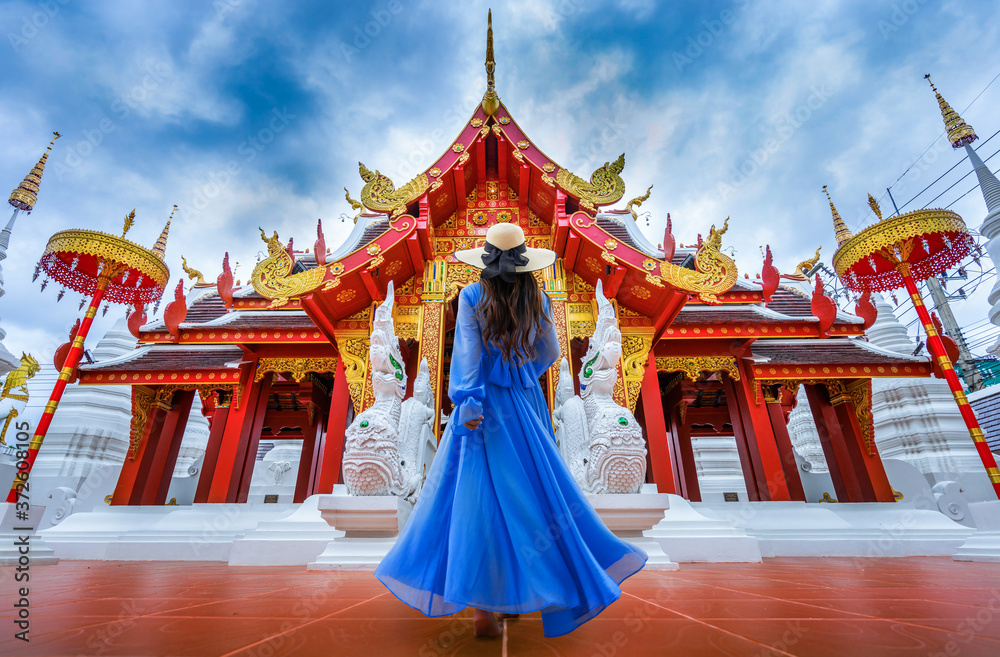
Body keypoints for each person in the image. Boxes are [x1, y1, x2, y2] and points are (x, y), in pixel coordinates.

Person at [373, 222, 648, 639]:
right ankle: (521, 591)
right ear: (524, 261)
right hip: (523, 404)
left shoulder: (470, 296)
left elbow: (465, 353)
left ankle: (484, 607)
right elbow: (551, 352)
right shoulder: (537, 297)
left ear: (485, 258)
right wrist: (519, 373)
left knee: (474, 496)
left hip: (479, 406)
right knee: (533, 496)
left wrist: (468, 399)